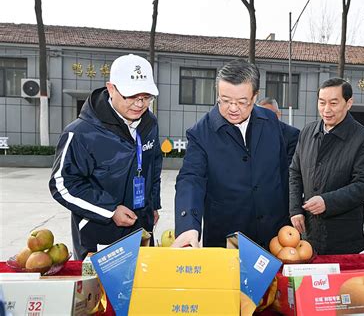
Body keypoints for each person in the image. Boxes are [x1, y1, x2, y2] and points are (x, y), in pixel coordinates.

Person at [49, 54, 162, 260]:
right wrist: (109, 211)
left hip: (142, 229)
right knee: (100, 290)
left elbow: (154, 166)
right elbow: (62, 184)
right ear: (111, 89)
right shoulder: (81, 133)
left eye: (146, 97)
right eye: (131, 96)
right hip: (99, 232)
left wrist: (153, 204)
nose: (140, 104)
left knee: (142, 287)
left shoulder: (149, 124)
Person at [172, 59, 290, 249]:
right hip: (226, 239)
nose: (233, 108)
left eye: (242, 102)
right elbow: (191, 179)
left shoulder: (269, 120)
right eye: (225, 100)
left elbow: (283, 171)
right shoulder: (201, 132)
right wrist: (188, 226)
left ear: (254, 96)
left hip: (276, 236)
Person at [289, 78, 364, 255]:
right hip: (308, 232)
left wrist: (327, 202)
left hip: (343, 235)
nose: (326, 109)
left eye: (333, 103)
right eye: (322, 103)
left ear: (349, 103)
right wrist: (295, 209)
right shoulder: (308, 131)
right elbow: (295, 172)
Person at [256, 97, 300, 166]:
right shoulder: (251, 133)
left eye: (269, 114)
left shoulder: (292, 134)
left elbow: (291, 166)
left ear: (278, 114)